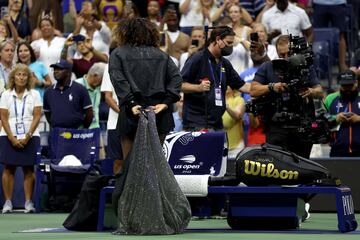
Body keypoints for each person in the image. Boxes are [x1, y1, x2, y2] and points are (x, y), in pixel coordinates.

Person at [109, 17, 182, 160]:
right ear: (151, 33)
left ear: (125, 33)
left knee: (131, 164)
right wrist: (166, 103)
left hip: (132, 112)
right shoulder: (162, 55)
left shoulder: (117, 53)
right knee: (155, 164)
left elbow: (119, 81)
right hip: (158, 112)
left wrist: (131, 103)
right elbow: (176, 79)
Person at [250, 35, 322, 158]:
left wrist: (310, 91)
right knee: (275, 165)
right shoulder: (268, 66)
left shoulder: (305, 65)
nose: (285, 57)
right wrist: (272, 87)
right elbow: (253, 90)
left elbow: (319, 91)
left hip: (301, 124)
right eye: (281, 55)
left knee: (301, 166)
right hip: (276, 126)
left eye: (288, 54)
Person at [181, 26, 250, 131]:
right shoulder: (197, 59)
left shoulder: (225, 63)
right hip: (197, 123)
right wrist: (198, 88)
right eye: (229, 43)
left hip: (217, 123)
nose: (231, 47)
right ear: (218, 40)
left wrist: (269, 87)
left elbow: (244, 86)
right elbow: (178, 84)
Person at [0, 64, 42, 213]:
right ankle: (8, 203)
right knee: (8, 168)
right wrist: (12, 138)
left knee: (29, 169)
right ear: (13, 77)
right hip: (8, 135)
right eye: (19, 74)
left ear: (28, 78)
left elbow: (37, 115)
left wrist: (28, 136)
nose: (21, 77)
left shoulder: (35, 94)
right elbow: (3, 117)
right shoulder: (5, 94)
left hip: (30, 136)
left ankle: (28, 203)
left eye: (24, 75)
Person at [43, 60, 93, 129]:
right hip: (56, 133)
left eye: (60, 69)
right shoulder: (48, 92)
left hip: (76, 133)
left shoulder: (80, 89)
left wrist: (83, 128)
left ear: (68, 72)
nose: (56, 71)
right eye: (55, 69)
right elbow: (47, 113)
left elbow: (89, 113)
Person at [324, 71, 360, 157]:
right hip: (337, 151)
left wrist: (358, 119)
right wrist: (336, 118)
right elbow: (318, 122)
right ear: (339, 84)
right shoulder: (330, 99)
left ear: (356, 83)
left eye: (350, 86)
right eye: (344, 86)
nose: (347, 89)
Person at [312, 0, 348, 71]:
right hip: (319, 3)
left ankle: (342, 64)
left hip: (338, 3)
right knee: (317, 36)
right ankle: (318, 66)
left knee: (341, 35)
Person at [30, 18, 66, 84]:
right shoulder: (34, 44)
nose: (45, 28)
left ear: (53, 27)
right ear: (40, 29)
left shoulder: (62, 41)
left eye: (48, 25)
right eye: (42, 26)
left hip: (59, 78)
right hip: (42, 81)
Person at [75, 62, 106, 129]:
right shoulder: (76, 86)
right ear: (95, 75)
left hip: (95, 129)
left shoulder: (99, 87)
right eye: (103, 79)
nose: (104, 82)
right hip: (79, 131)